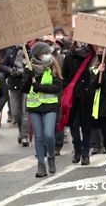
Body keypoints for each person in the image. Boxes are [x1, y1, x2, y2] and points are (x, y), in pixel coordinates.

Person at [22, 42, 62, 177]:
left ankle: (51, 156)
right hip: (34, 107)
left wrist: (40, 87)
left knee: (49, 135)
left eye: (48, 53)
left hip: (50, 106)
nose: (48, 55)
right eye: (45, 53)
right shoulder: (28, 67)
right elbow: (25, 89)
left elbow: (57, 87)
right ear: (38, 55)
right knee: (38, 137)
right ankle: (41, 165)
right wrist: (28, 76)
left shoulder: (52, 66)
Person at [61, 42, 96, 165]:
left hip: (87, 97)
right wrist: (68, 88)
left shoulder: (92, 56)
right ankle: (77, 150)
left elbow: (95, 76)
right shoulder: (69, 57)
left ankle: (85, 153)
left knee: (86, 126)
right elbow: (64, 76)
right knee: (74, 126)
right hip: (73, 98)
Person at [0, 45, 29, 146]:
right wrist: (10, 70)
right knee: (16, 112)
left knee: (25, 112)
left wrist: (23, 70)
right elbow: (2, 65)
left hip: (26, 85)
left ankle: (25, 136)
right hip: (13, 85)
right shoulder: (10, 52)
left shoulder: (28, 50)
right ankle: (21, 131)